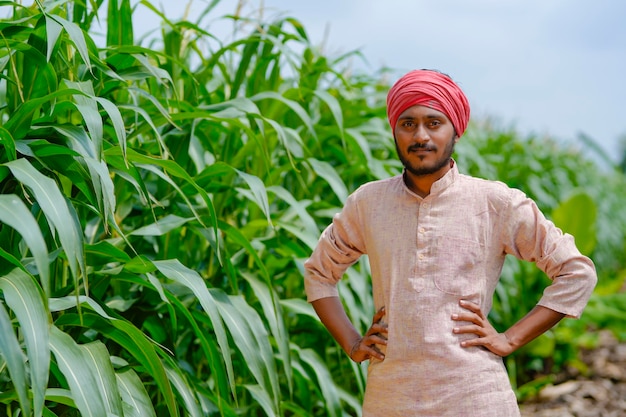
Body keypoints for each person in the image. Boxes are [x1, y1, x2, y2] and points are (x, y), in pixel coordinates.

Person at [303, 69, 597, 416]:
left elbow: (576, 272)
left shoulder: (494, 202)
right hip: (390, 396)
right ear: (394, 131)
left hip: (476, 395)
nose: (420, 136)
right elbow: (319, 274)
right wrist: (352, 343)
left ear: (455, 129)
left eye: (434, 122)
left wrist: (510, 339)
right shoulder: (369, 204)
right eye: (408, 124)